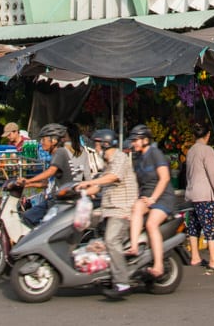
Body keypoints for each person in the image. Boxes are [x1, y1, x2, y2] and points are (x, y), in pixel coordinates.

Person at [75, 128, 139, 299]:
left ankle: (122, 283)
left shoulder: (120, 158)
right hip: (109, 210)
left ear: (105, 144)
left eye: (96, 144)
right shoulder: (108, 163)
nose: (95, 148)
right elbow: (98, 186)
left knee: (111, 240)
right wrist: (77, 192)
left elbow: (112, 178)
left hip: (122, 209)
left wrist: (90, 181)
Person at [127, 123, 177, 278]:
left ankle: (159, 265)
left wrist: (153, 198)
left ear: (145, 140)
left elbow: (165, 178)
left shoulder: (155, 154)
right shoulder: (138, 159)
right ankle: (134, 247)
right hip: (146, 198)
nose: (133, 143)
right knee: (135, 208)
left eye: (136, 140)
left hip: (162, 197)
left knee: (151, 224)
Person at [184, 123, 214, 271]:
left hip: (191, 194)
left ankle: (195, 257)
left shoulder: (190, 151)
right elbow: (213, 174)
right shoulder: (207, 150)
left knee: (194, 226)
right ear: (208, 135)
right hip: (204, 195)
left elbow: (187, 174)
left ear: (194, 136)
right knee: (211, 226)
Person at [17, 123, 73, 226]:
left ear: (54, 140)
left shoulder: (60, 152)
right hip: (53, 200)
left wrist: (29, 180)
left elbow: (50, 172)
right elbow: (46, 184)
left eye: (44, 140)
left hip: (58, 202)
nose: (41, 143)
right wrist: (27, 185)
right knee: (28, 216)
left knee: (28, 217)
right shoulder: (55, 155)